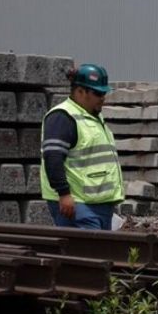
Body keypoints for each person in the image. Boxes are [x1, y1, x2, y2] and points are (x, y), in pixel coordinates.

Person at [40, 63, 124, 230]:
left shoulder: (92, 117)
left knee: (98, 253)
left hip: (98, 204)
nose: (103, 97)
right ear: (80, 91)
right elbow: (53, 157)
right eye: (98, 93)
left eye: (104, 92)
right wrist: (64, 194)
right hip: (77, 205)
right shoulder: (62, 117)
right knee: (88, 253)